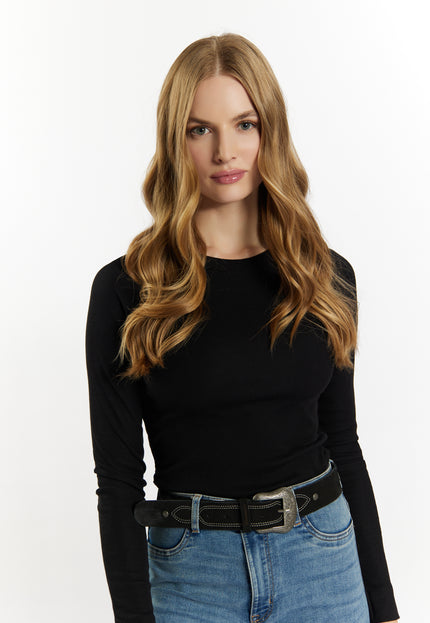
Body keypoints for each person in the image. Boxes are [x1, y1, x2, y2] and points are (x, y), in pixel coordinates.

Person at [85, 33, 400, 623]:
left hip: (323, 563)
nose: (224, 151)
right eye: (199, 129)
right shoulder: (128, 290)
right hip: (192, 576)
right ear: (175, 141)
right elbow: (119, 480)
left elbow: (344, 445)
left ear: (269, 131)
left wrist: (384, 608)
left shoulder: (325, 277)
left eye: (244, 124)